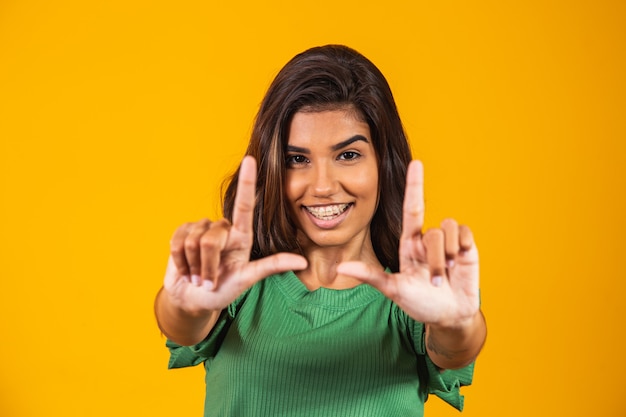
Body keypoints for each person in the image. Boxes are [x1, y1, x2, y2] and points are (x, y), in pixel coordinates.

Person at [154, 44, 487, 417]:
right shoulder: (237, 284)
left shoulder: (415, 297)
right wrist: (182, 305)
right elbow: (183, 327)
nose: (323, 185)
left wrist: (457, 323)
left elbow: (453, 347)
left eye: (348, 155)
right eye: (298, 159)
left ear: (384, 163)